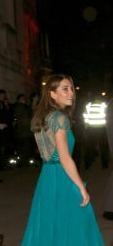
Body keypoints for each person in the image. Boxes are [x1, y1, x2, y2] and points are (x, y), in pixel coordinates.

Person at [21, 74, 105, 245]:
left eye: (71, 89)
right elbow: (65, 158)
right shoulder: (60, 118)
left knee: (50, 223)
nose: (71, 93)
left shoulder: (41, 118)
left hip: (46, 176)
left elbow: (43, 151)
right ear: (52, 94)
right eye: (65, 89)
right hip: (62, 175)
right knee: (77, 225)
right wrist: (81, 187)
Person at [11, 93, 33, 166]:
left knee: (24, 148)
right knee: (24, 148)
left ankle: (23, 162)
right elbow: (23, 120)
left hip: (24, 132)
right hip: (23, 132)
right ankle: (23, 162)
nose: (24, 100)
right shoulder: (20, 108)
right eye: (23, 99)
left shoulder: (23, 107)